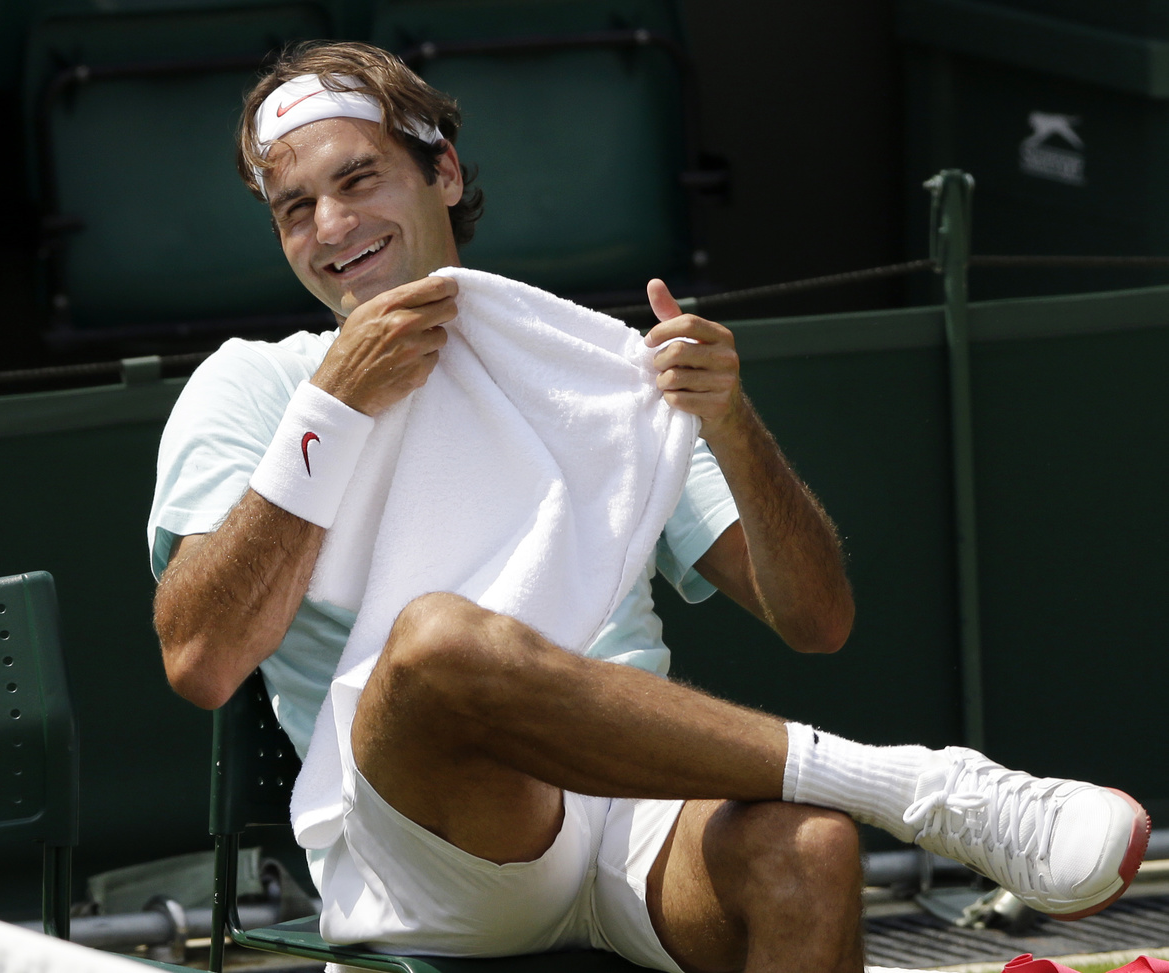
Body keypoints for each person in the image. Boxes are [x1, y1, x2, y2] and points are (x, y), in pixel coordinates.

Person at [148, 40, 1149, 973]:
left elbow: (814, 617)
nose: (330, 228)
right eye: (294, 208)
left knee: (808, 848)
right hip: (441, 851)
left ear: (441, 173)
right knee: (436, 641)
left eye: (359, 179)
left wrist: (730, 423)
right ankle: (917, 788)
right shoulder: (250, 390)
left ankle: (873, 796)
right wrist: (337, 408)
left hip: (637, 824)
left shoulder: (588, 362)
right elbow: (201, 661)